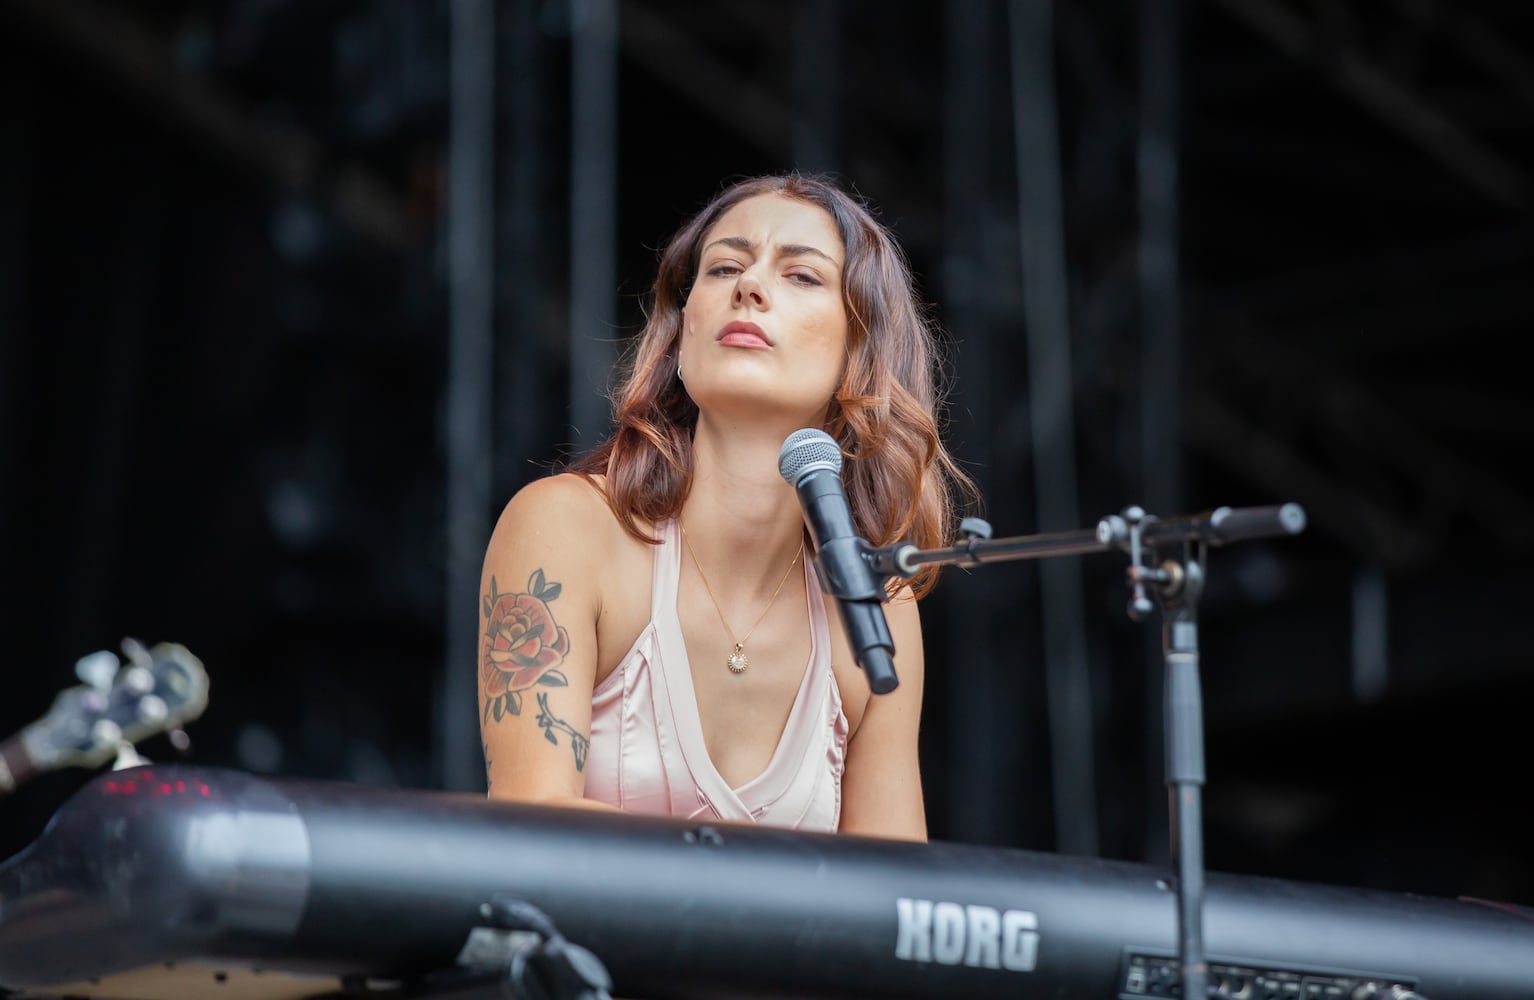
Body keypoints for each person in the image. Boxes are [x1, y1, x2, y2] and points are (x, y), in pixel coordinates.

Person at [478, 173, 974, 841]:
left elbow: (893, 894)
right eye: (724, 267)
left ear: (861, 354)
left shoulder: (877, 601)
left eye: (802, 276)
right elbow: (527, 821)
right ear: (682, 334)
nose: (749, 286)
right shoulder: (567, 527)